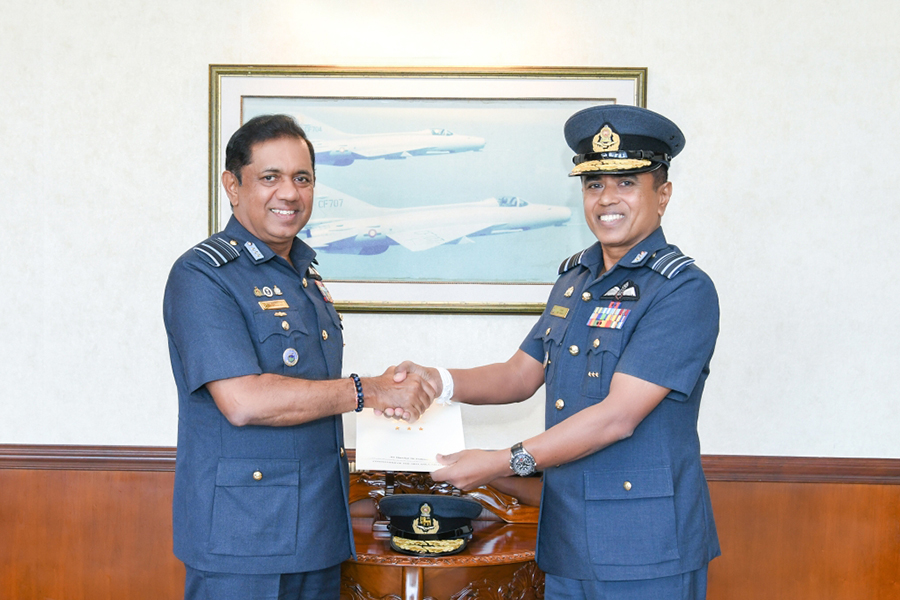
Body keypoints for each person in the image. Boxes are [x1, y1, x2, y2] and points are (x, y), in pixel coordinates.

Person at [394, 105, 720, 599]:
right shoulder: (575, 281)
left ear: (663, 194)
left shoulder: (681, 291)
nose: (607, 199)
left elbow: (617, 418)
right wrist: (437, 380)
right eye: (594, 185)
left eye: (627, 183)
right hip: (569, 540)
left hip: (645, 547)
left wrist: (500, 461)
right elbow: (519, 375)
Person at [163, 114, 435, 600]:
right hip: (243, 539)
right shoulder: (203, 275)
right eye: (270, 177)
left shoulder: (305, 272)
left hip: (316, 530)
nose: (288, 193)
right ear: (233, 185)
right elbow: (244, 401)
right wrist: (371, 390)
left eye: (302, 178)